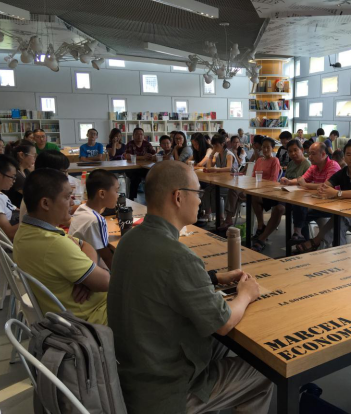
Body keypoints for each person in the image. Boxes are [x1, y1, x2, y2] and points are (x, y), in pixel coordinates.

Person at [108, 161, 273, 414]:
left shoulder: (130, 239)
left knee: (221, 344)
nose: (200, 200)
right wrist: (245, 294)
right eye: (197, 193)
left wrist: (213, 278)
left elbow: (159, 281)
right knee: (263, 372)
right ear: (178, 197)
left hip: (131, 377)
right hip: (167, 392)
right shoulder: (178, 256)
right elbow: (224, 322)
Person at [14, 169, 111, 324]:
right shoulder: (54, 245)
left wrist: (87, 276)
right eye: (67, 197)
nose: (72, 202)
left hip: (73, 315)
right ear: (46, 203)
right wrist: (93, 274)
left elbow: (85, 245)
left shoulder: (28, 231)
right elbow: (106, 282)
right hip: (93, 319)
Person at [296, 140, 351, 252]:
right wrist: (323, 189)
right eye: (348, 154)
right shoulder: (343, 172)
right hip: (348, 211)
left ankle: (329, 247)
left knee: (341, 217)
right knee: (338, 216)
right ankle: (323, 245)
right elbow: (326, 185)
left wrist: (336, 193)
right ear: (344, 157)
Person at [252, 140, 311, 252]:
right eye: (290, 151)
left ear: (302, 150)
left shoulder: (307, 164)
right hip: (285, 194)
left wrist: (289, 182)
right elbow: (286, 180)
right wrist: (284, 181)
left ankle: (262, 239)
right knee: (255, 197)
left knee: (279, 208)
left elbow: (304, 182)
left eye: (295, 150)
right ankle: (261, 225)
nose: (293, 153)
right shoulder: (291, 163)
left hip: (298, 199)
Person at [281, 142, 341, 241]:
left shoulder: (333, 165)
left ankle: (301, 238)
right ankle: (301, 239)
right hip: (317, 201)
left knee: (301, 212)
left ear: (323, 154)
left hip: (332, 204)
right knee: (299, 207)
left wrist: (305, 185)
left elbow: (326, 186)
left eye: (313, 154)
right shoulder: (314, 166)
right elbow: (302, 179)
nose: (310, 157)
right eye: (309, 154)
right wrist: (289, 182)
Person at [69, 169, 119, 270]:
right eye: (116, 191)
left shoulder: (82, 208)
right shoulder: (96, 220)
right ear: (102, 194)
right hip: (86, 271)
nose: (118, 196)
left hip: (76, 265)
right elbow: (107, 257)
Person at [18, 150, 80, 223]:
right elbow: (68, 221)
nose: (66, 175)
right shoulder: (42, 193)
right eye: (64, 172)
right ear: (49, 172)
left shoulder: (41, 188)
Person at [201, 135, 239, 229]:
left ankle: (221, 218)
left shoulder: (229, 154)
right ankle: (211, 214)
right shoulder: (217, 155)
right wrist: (212, 153)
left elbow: (229, 168)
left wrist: (216, 170)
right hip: (223, 182)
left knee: (215, 192)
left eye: (216, 145)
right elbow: (209, 166)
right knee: (207, 190)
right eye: (213, 145)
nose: (215, 147)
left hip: (232, 184)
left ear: (222, 144)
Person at [250, 138, 282, 236]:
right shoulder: (259, 160)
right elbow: (253, 177)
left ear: (272, 148)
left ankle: (260, 225)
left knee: (254, 197)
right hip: (257, 190)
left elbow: (273, 180)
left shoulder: (275, 160)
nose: (265, 149)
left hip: (269, 191)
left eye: (268, 147)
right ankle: (261, 224)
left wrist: (260, 188)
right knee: (250, 195)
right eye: (263, 147)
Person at [0, 155, 20, 240]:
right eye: (12, 177)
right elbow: (9, 233)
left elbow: (15, 209)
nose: (14, 181)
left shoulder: (0, 194)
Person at [125, 128, 156, 201]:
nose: (139, 136)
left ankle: (151, 197)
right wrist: (143, 157)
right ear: (133, 135)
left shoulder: (147, 144)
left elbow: (154, 154)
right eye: (137, 134)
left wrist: (151, 156)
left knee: (152, 176)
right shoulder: (130, 144)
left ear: (143, 136)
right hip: (131, 168)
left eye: (141, 134)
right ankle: (132, 199)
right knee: (135, 178)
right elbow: (128, 156)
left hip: (144, 168)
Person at [5, 142, 36, 207]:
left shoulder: (25, 171)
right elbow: (33, 194)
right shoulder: (16, 174)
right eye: (33, 155)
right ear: (21, 155)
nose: (35, 158)